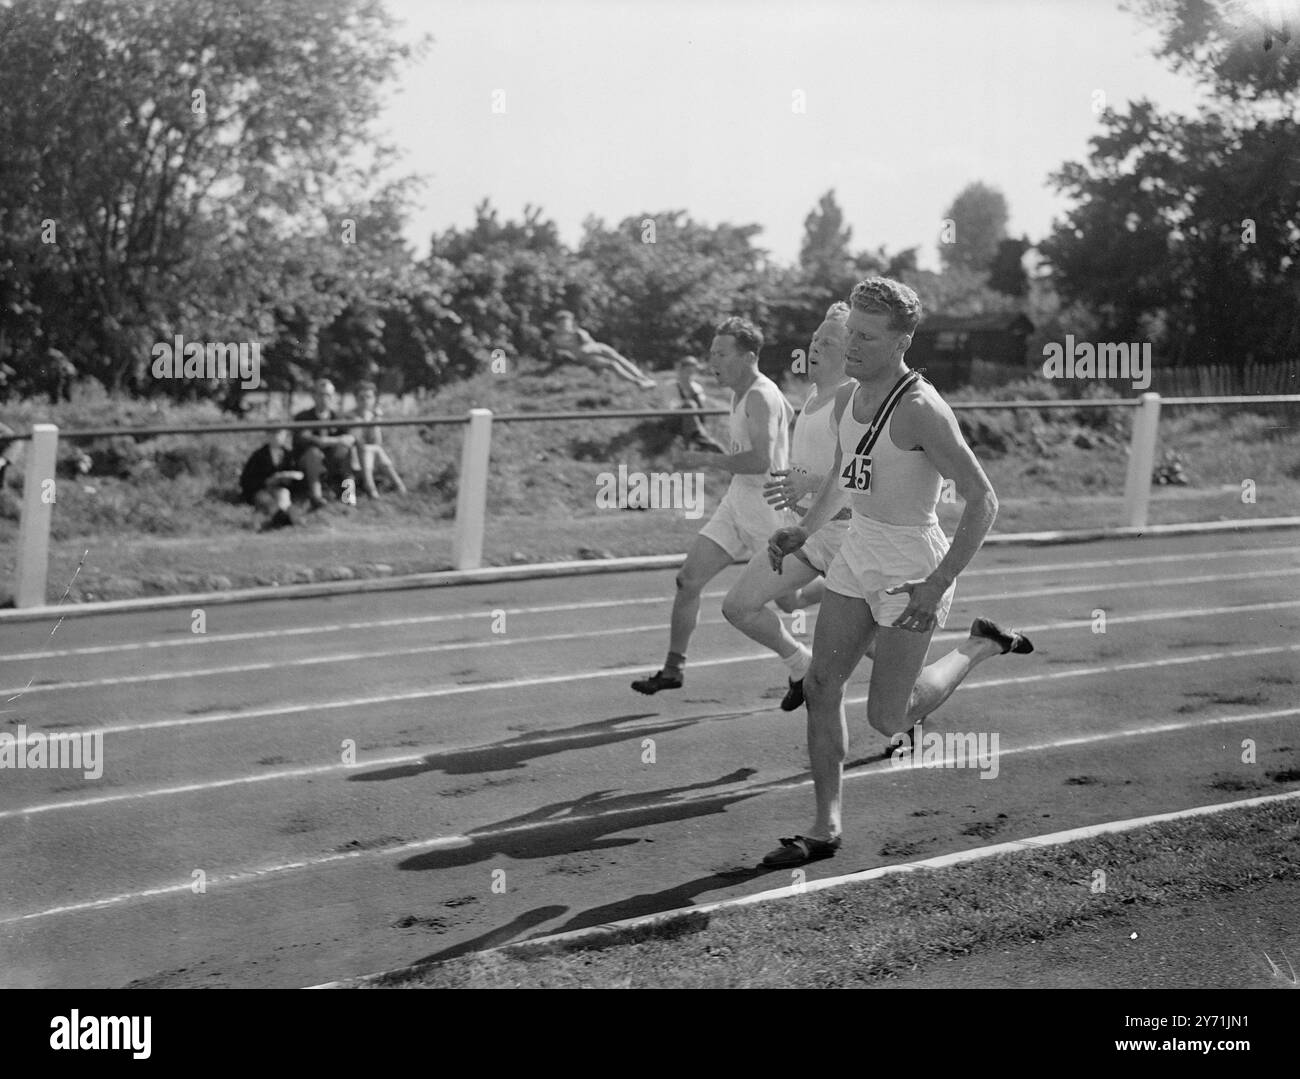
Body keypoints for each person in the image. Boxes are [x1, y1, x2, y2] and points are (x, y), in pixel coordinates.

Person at [759, 278, 1034, 868]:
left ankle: (980, 647)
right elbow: (844, 470)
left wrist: (936, 586)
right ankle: (825, 824)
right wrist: (805, 528)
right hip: (859, 549)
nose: (851, 345)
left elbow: (982, 499)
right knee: (819, 685)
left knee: (888, 717)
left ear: (903, 339)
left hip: (913, 563)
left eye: (867, 336)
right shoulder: (850, 396)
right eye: (849, 331)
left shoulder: (921, 409)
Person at [632, 316, 795, 694]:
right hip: (738, 500)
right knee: (688, 580)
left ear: (749, 356)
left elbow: (760, 462)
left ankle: (843, 588)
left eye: (721, 354)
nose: (712, 362)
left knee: (791, 601)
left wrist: (703, 460)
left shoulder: (758, 394)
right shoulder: (743, 393)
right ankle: (673, 669)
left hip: (766, 508)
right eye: (712, 353)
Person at [720, 302, 855, 710]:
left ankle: (963, 658)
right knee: (739, 606)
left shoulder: (853, 398)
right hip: (809, 537)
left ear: (851, 351)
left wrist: (810, 483)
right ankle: (799, 663)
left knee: (876, 650)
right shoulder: (815, 393)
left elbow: (858, 472)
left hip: (850, 541)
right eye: (814, 338)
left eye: (827, 342)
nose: (814, 346)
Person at [550, 311, 657, 389]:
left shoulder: (578, 332)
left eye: (567, 322)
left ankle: (643, 377)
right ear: (558, 324)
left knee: (619, 359)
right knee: (612, 364)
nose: (565, 325)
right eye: (562, 323)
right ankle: (638, 383)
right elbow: (558, 352)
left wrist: (577, 335)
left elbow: (588, 342)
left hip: (596, 347)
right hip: (585, 355)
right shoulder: (555, 338)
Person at [293, 378, 356, 509]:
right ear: (313, 396)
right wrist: (334, 440)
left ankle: (349, 496)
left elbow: (350, 439)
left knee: (345, 451)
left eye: (328, 395)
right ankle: (317, 498)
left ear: (332, 396)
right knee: (313, 453)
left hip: (332, 460)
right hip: (308, 463)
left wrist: (325, 441)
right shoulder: (302, 417)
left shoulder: (339, 417)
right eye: (321, 394)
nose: (324, 398)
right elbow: (304, 438)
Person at [349, 381, 407, 498]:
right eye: (361, 398)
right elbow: (357, 440)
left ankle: (390, 486)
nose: (365, 401)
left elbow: (377, 441)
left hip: (371, 457)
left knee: (375, 449)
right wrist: (364, 421)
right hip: (353, 458)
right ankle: (374, 487)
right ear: (356, 399)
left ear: (374, 399)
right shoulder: (350, 416)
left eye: (369, 397)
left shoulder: (373, 415)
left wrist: (375, 421)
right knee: (369, 449)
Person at [239, 428, 302, 530]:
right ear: (268, 436)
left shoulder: (289, 455)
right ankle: (280, 519)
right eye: (273, 434)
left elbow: (296, 477)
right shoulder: (258, 455)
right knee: (266, 500)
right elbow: (246, 480)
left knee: (284, 496)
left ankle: (286, 519)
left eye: (280, 434)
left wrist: (287, 480)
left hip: (280, 489)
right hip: (260, 490)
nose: (277, 437)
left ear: (285, 435)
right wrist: (266, 482)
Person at [672, 356, 728, 453]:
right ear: (680, 370)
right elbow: (670, 406)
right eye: (687, 371)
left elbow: (702, 410)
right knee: (689, 405)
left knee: (691, 405)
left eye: (692, 372)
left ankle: (694, 440)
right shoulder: (672, 386)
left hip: (693, 420)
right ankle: (699, 439)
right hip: (676, 420)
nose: (689, 374)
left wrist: (692, 392)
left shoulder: (697, 388)